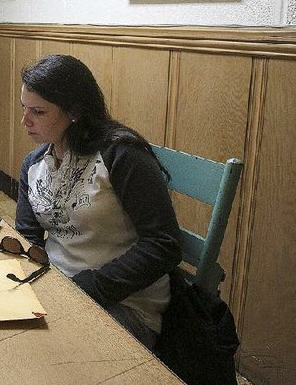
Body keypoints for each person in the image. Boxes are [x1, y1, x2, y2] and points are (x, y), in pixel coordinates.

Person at [15, 54, 181, 349]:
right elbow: (27, 234)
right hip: (58, 288)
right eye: (23, 108)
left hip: (124, 302)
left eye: (38, 112)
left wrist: (89, 288)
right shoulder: (34, 163)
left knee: (36, 352)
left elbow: (164, 244)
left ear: (74, 111)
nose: (24, 121)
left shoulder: (122, 155)